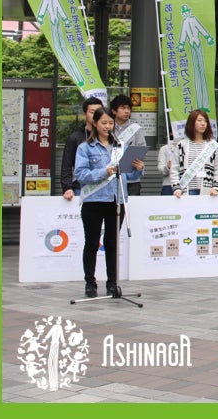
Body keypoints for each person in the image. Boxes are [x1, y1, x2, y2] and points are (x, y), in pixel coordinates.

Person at [66, 107, 141, 298]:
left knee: (112, 242)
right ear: (95, 123)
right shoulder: (85, 148)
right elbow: (80, 174)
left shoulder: (120, 147)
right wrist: (103, 172)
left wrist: (138, 169)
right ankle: (90, 283)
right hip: (94, 199)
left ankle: (112, 283)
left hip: (116, 199)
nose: (108, 126)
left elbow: (129, 176)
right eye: (104, 123)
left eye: (110, 123)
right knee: (92, 242)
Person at [169, 109, 218, 197]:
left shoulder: (213, 146)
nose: (203, 123)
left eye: (205, 121)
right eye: (199, 120)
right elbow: (174, 169)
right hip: (185, 191)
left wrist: (215, 187)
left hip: (207, 191)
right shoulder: (181, 145)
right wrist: (176, 188)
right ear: (191, 122)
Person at [61, 96, 104, 200]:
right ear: (85, 114)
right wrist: (67, 187)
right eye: (92, 112)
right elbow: (66, 165)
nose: (96, 115)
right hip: (81, 187)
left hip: (105, 186)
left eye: (99, 112)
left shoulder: (108, 136)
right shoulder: (75, 137)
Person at [109, 94, 146, 197]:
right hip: (112, 177)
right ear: (114, 111)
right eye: (123, 108)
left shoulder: (136, 128)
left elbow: (142, 150)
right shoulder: (108, 127)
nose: (126, 111)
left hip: (132, 178)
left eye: (128, 108)